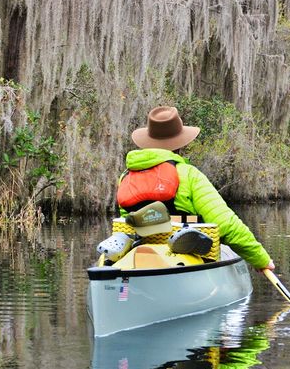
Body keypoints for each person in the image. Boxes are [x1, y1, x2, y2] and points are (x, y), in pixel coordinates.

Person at [117, 106, 275, 271]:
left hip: (143, 256)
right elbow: (226, 225)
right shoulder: (189, 174)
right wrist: (261, 260)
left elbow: (126, 222)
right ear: (180, 144)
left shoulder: (126, 177)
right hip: (186, 262)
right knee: (224, 248)